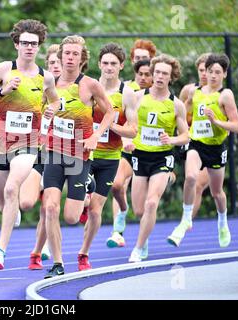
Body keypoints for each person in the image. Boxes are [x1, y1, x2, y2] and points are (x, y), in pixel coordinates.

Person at [0, 19, 60, 270]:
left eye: (34, 44)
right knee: (2, 202)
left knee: (12, 190)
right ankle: (12, 213)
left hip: (28, 143)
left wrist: (51, 112)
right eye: (25, 43)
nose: (29, 48)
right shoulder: (3, 70)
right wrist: (2, 91)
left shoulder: (46, 77)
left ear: (39, 46)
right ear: (16, 44)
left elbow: (55, 102)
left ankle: (0, 251)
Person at [43, 35, 114, 278]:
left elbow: (110, 112)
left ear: (81, 58)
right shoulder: (50, 83)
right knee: (50, 207)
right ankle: (58, 263)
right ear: (60, 56)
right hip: (53, 152)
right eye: (67, 53)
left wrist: (96, 136)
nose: (70, 58)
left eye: (75, 54)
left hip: (79, 156)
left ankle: (88, 185)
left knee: (71, 217)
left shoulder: (90, 85)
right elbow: (41, 110)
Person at [167, 53, 238, 248]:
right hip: (196, 144)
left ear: (224, 73)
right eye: (210, 71)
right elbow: (183, 110)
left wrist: (216, 120)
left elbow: (237, 125)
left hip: (216, 148)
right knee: (190, 177)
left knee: (217, 193)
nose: (213, 76)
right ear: (204, 72)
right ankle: (186, 219)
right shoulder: (194, 92)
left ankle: (222, 222)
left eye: (218, 72)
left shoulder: (225, 95)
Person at [76, 43, 137, 270]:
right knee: (82, 199)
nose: (109, 67)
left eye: (113, 63)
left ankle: (84, 253)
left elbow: (133, 130)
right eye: (105, 63)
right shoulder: (88, 87)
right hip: (86, 154)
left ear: (121, 66)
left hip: (110, 157)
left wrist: (112, 127)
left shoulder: (127, 94)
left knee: (96, 209)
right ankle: (82, 201)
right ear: (99, 64)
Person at [129, 54, 189, 262]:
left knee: (151, 203)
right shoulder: (138, 97)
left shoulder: (176, 105)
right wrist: (128, 140)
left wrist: (171, 140)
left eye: (165, 73)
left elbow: (186, 136)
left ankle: (137, 249)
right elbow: (130, 125)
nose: (160, 76)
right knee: (138, 210)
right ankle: (144, 238)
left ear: (171, 77)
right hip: (140, 155)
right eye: (158, 73)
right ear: (153, 74)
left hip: (162, 158)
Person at [24, 44, 61, 270]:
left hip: (59, 155)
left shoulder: (74, 90)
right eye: (51, 63)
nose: (55, 66)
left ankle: (38, 252)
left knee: (49, 207)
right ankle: (40, 249)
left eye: (58, 62)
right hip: (37, 152)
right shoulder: (40, 88)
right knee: (27, 202)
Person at [109, 59, 153, 247]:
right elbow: (127, 123)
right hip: (130, 150)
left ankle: (143, 240)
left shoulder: (166, 100)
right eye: (140, 74)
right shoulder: (130, 93)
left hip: (151, 154)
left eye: (147, 74)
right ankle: (120, 216)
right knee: (117, 184)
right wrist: (126, 141)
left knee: (142, 207)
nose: (143, 78)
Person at [178, 53, 211, 219]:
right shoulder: (188, 91)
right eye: (201, 70)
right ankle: (187, 219)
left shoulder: (222, 94)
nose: (205, 73)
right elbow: (177, 114)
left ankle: (187, 221)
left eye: (209, 70)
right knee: (192, 181)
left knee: (199, 185)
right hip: (192, 145)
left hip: (212, 147)